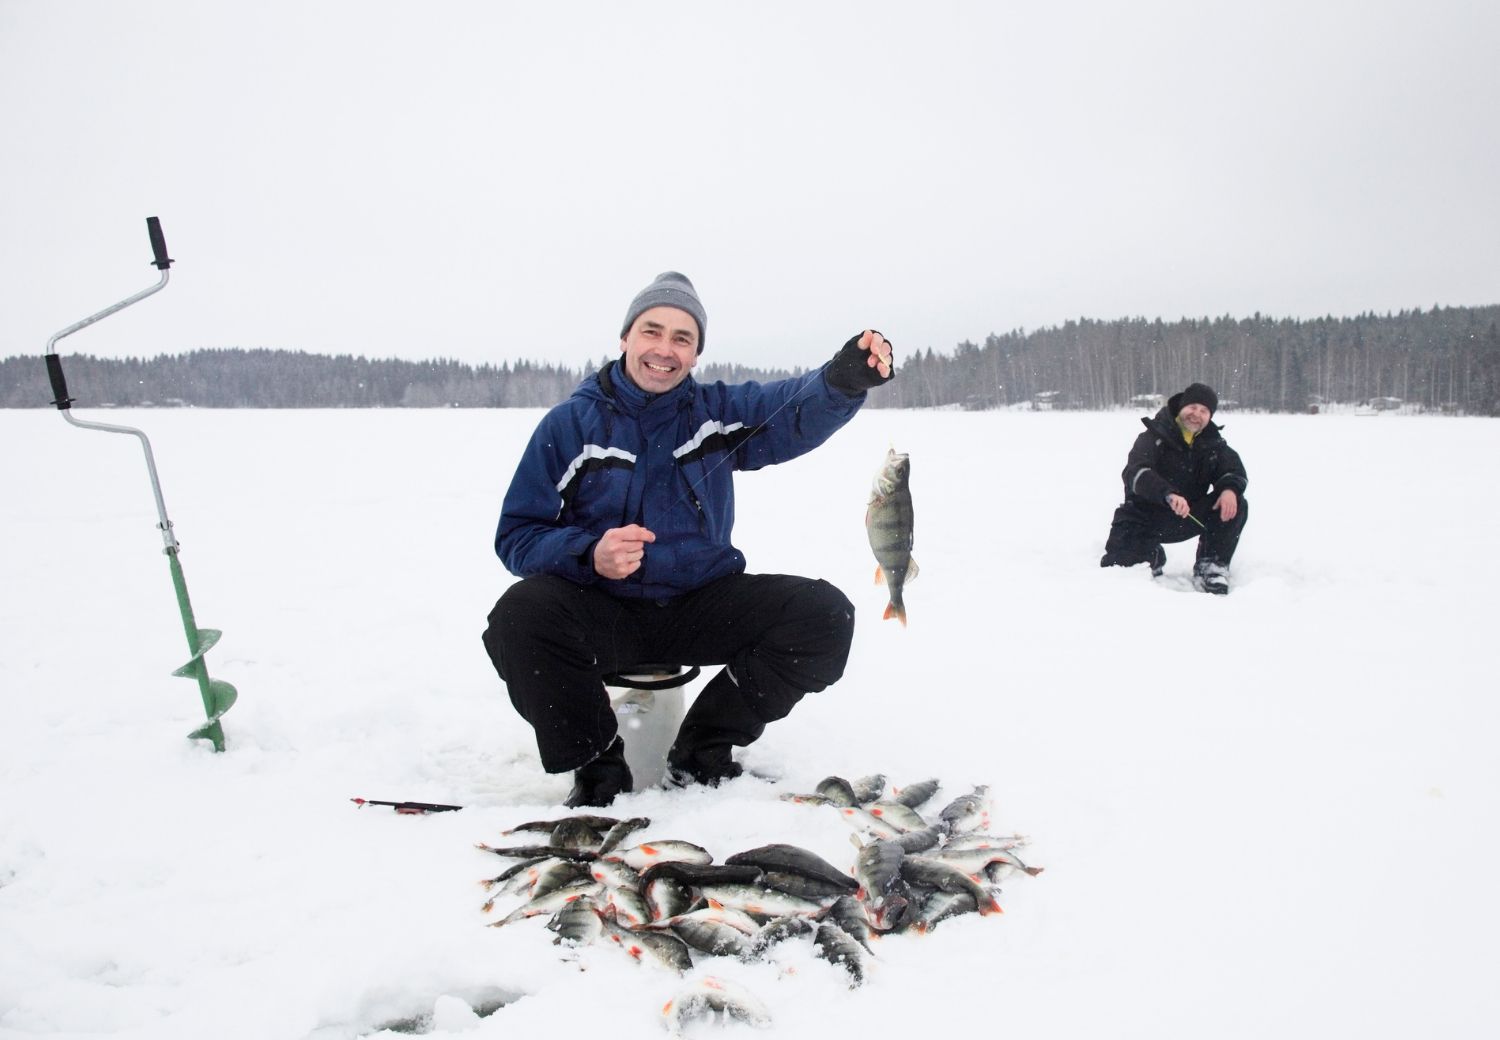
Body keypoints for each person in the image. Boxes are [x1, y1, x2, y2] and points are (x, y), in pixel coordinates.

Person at [482, 271, 895, 807]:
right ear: (626, 337)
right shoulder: (568, 425)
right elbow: (518, 534)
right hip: (601, 608)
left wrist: (842, 381)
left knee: (822, 616)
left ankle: (703, 751)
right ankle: (597, 770)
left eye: (683, 338)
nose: (664, 349)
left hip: (700, 603)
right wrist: (589, 553)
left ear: (696, 353)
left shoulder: (716, 413)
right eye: (652, 331)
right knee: (521, 616)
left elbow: (791, 409)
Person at [1098, 382, 1248, 594]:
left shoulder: (1213, 445)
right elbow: (1136, 472)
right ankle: (1152, 554)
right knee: (1117, 567)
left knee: (1235, 502)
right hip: (1143, 516)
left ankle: (1211, 565)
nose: (1197, 414)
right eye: (1193, 407)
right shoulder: (1152, 436)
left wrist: (1229, 490)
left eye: (1204, 411)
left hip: (1186, 516)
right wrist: (1167, 493)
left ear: (1210, 417)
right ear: (1181, 408)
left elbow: (1233, 470)